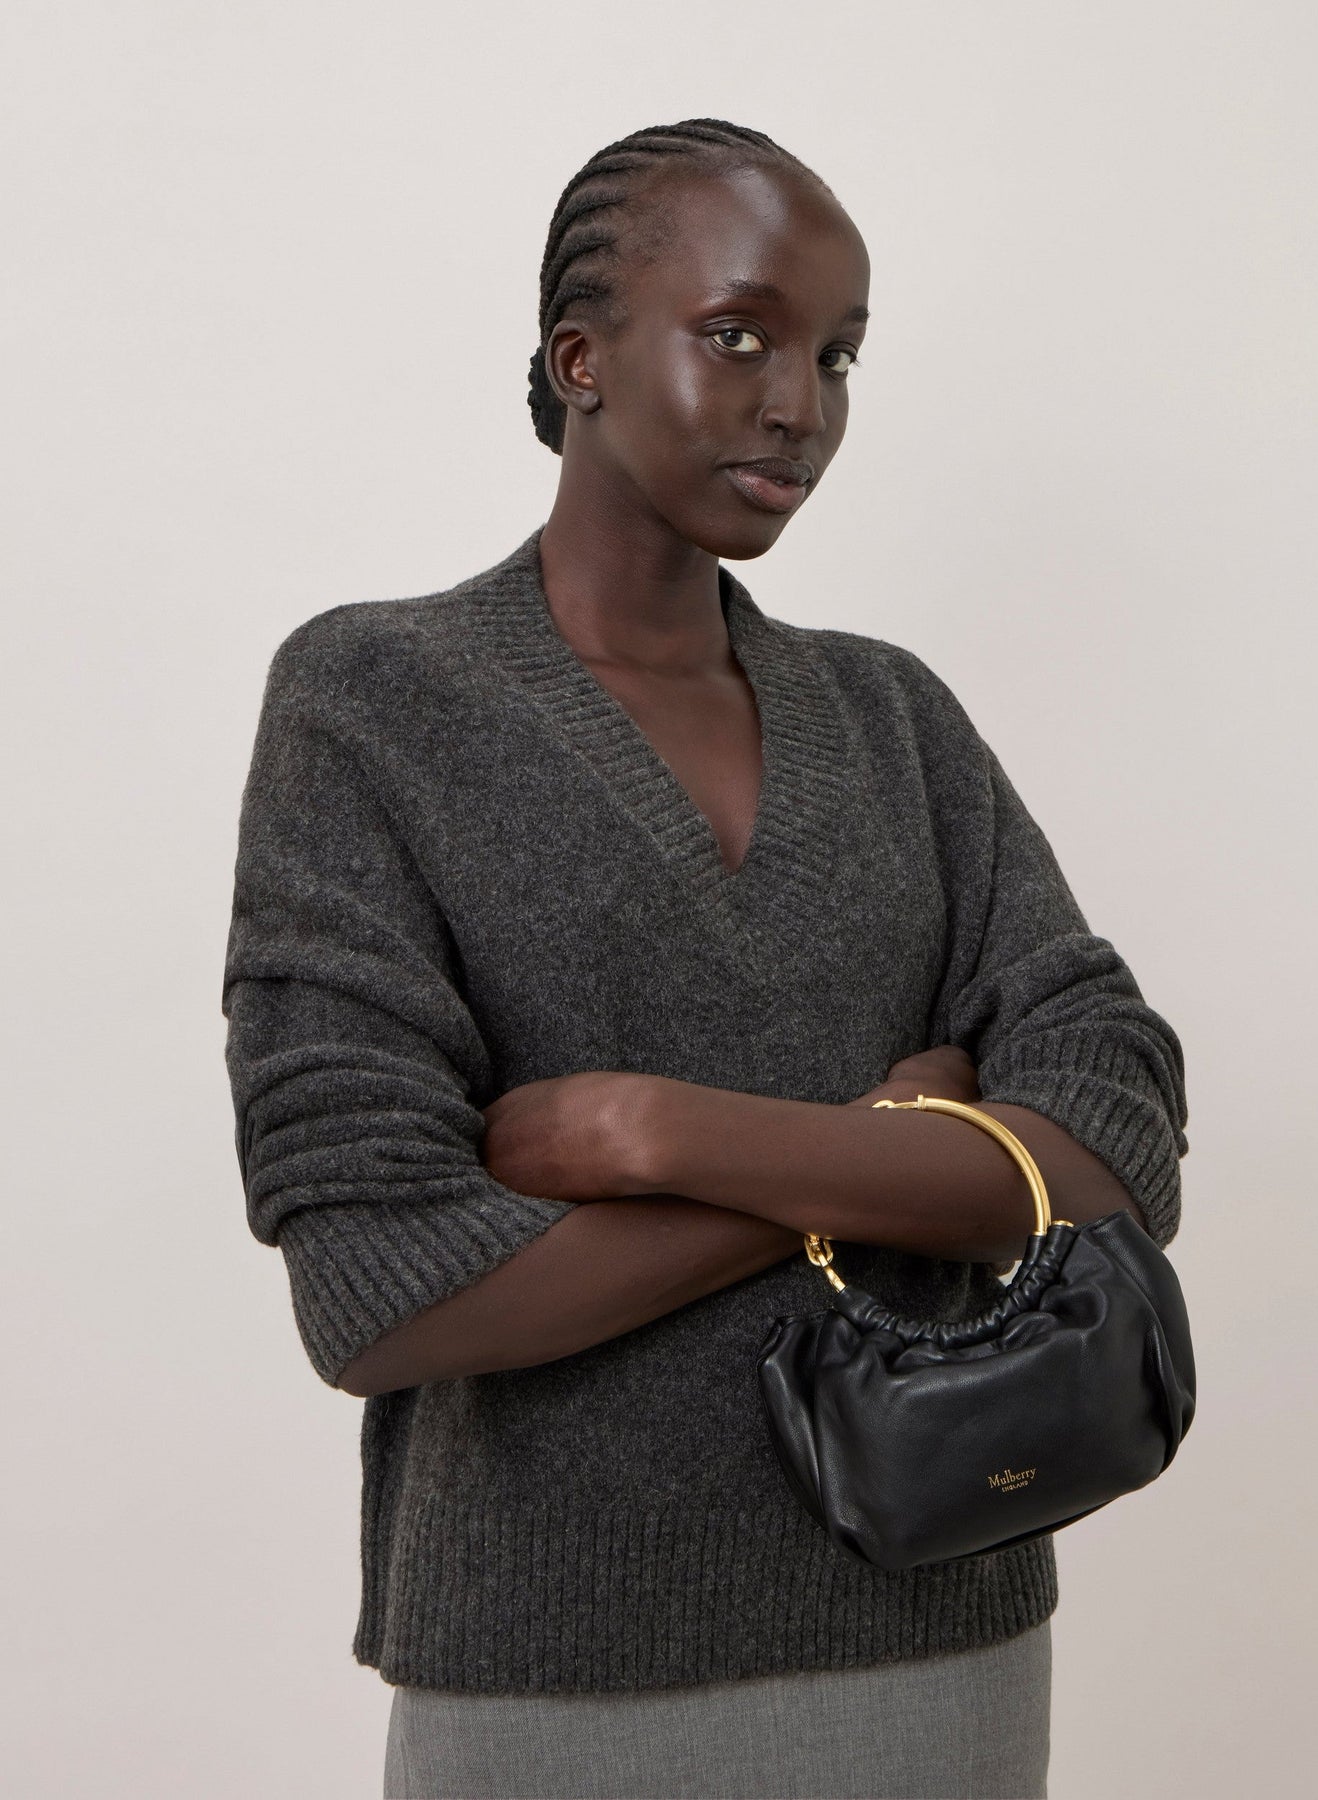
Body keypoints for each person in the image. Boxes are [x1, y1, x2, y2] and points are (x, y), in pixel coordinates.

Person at [221, 118, 1188, 1800]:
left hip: (940, 1643)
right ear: (579, 360)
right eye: (739, 335)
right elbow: (380, 1292)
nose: (799, 403)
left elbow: (1115, 1145)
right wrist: (892, 1151)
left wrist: (655, 1130)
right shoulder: (374, 703)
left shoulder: (894, 719)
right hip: (548, 1678)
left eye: (838, 355)